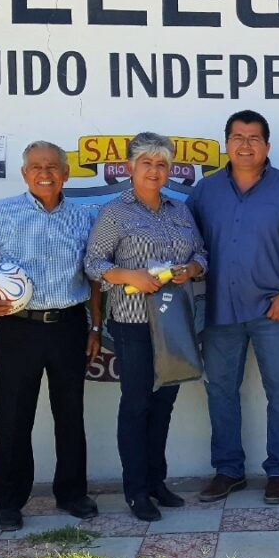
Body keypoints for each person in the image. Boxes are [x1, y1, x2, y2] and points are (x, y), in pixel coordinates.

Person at [0, 141, 103, 532]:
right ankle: (8, 501)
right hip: (19, 327)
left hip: (69, 326)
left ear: (66, 174)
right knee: (14, 416)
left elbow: (93, 279)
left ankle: (72, 493)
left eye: (53, 167)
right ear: (24, 174)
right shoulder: (1, 214)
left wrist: (94, 326)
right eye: (36, 166)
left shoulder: (84, 218)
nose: (45, 173)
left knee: (70, 415)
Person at [186, 110, 279, 505]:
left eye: (254, 138)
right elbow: (187, 245)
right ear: (226, 143)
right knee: (220, 391)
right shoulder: (204, 192)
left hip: (273, 312)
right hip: (220, 312)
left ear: (267, 146)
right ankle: (228, 470)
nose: (245, 145)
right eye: (237, 137)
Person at [84, 133, 208, 522]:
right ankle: (136, 490)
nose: (154, 171)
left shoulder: (180, 210)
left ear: (168, 170)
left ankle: (157, 482)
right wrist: (127, 275)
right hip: (133, 322)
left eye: (161, 164)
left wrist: (192, 268)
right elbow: (93, 263)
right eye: (146, 163)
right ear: (130, 168)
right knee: (136, 404)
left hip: (174, 321)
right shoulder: (115, 213)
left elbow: (201, 253)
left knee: (164, 404)